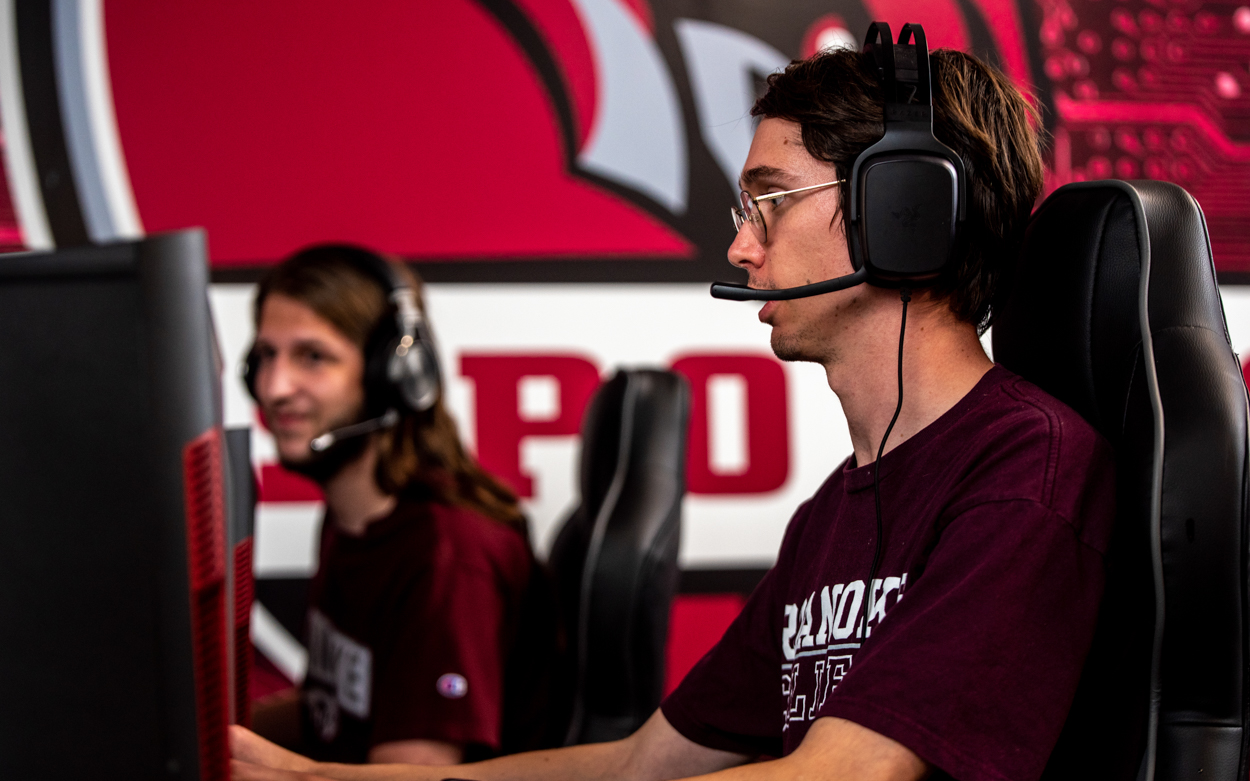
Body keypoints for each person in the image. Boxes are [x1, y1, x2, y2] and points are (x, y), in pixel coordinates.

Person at [231, 41, 1116, 781]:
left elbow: (841, 775)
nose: (741, 246)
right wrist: (319, 776)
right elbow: (641, 762)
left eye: (769, 202)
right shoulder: (836, 513)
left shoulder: (1024, 471)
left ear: (905, 214)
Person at [245, 245, 560, 767]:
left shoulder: (446, 556)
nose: (275, 388)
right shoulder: (355, 518)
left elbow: (413, 775)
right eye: (266, 357)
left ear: (394, 372)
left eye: (312, 357)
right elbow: (337, 711)